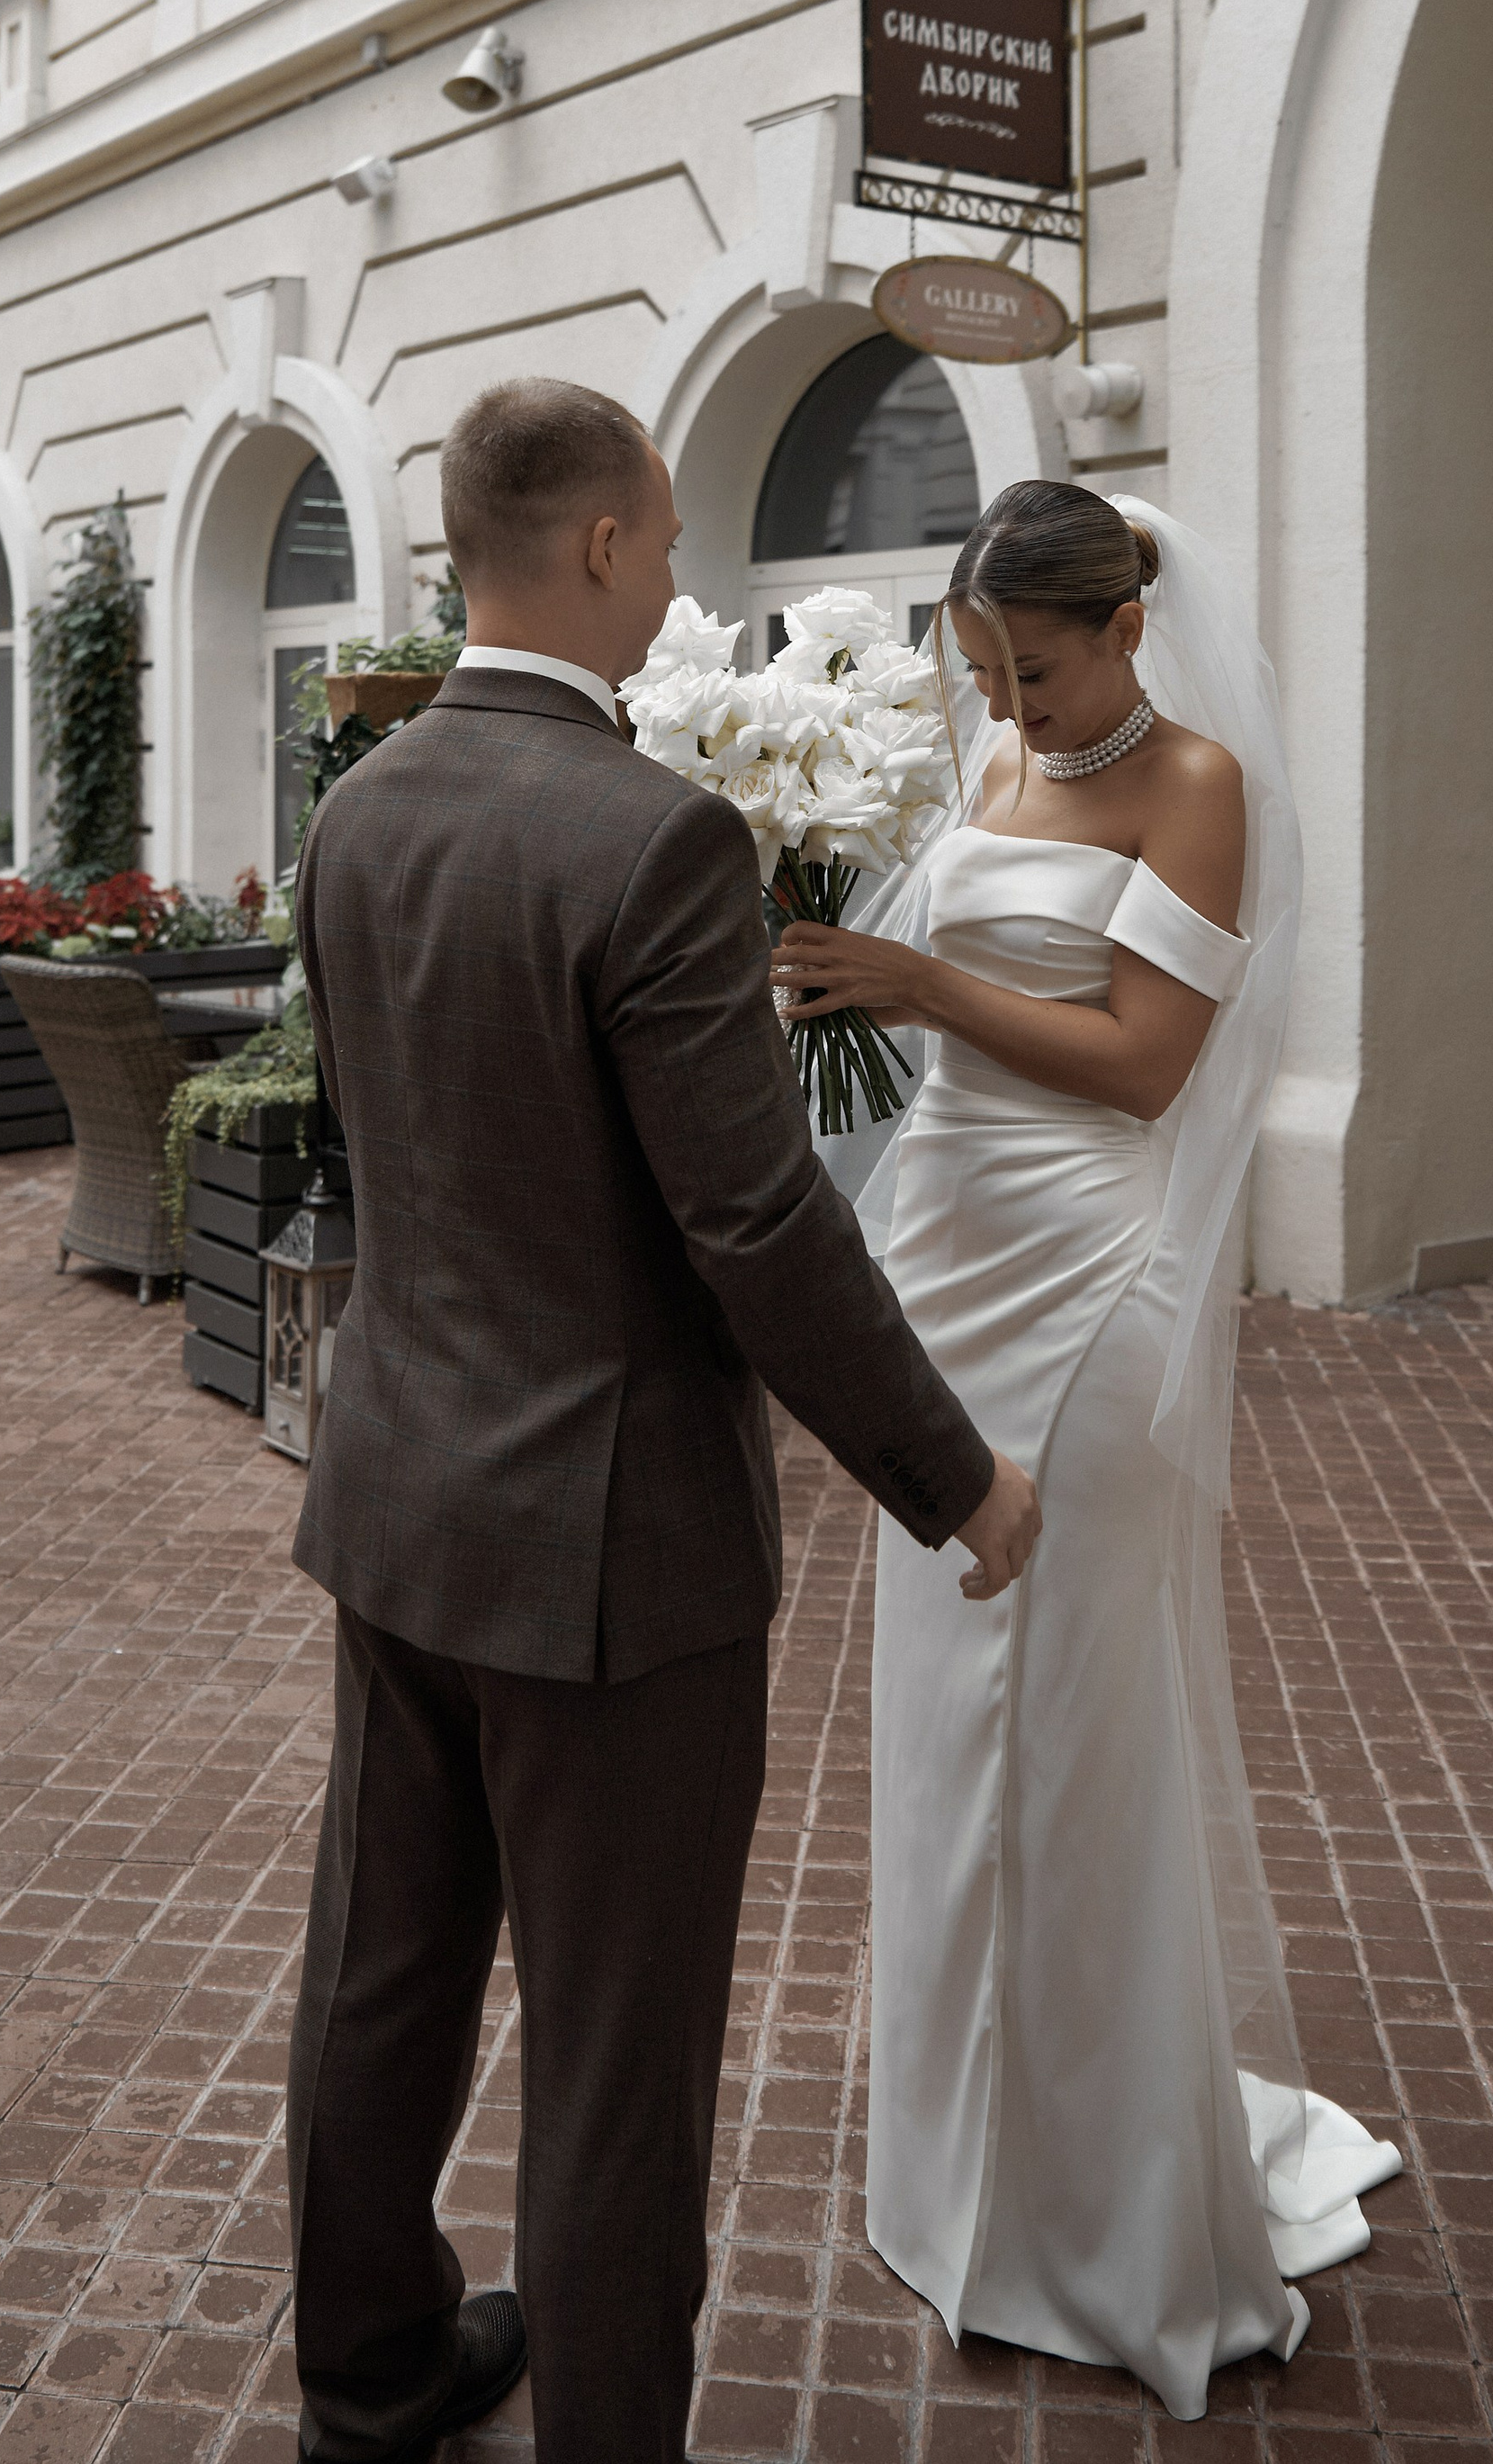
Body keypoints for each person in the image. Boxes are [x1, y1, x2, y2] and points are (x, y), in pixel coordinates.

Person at [283, 376, 1040, 2464]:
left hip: (398, 1497)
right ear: (604, 546)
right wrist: (951, 1473)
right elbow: (755, 1223)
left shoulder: (356, 807)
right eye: (673, 537)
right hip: (610, 1558)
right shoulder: (654, 832)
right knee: (617, 2057)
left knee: (382, 1967)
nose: (684, 572)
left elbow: (384, 1147)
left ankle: (365, 2383)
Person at [770, 481, 1402, 2423]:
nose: (1009, 709)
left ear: (1124, 620)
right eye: (982, 673)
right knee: (940, 1713)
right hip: (945, 1255)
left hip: (1087, 1279)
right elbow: (923, 1009)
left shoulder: (1191, 781)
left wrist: (914, 981)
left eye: (1031, 668)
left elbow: (1144, 1057)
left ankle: (1100, 2200)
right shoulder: (985, 748)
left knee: (1066, 1730)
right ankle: (960, 2173)